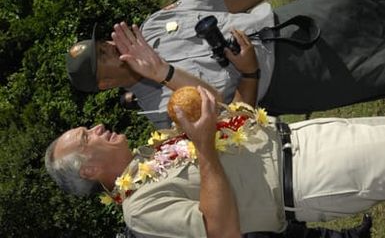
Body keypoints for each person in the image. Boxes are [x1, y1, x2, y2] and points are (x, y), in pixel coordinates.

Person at [45, 85, 383, 237]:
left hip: (302, 136)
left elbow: (218, 106)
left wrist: (163, 72)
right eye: (87, 136)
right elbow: (221, 231)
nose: (97, 126)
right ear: (89, 170)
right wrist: (203, 146)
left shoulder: (154, 150)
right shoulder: (138, 209)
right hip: (310, 175)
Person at [65, 0, 385, 128]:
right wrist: (248, 74)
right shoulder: (163, 112)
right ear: (105, 83)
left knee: (369, 2)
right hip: (297, 79)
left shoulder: (154, 24)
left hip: (292, 22)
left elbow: (220, 4)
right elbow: (236, 120)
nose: (111, 46)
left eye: (104, 45)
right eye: (104, 56)